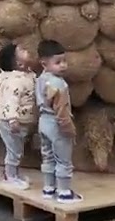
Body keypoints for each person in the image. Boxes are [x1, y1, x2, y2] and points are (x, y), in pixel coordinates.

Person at [35, 40, 81, 203]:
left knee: (47, 156)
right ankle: (64, 192)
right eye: (58, 62)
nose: (63, 65)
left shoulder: (40, 79)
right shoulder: (59, 84)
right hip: (56, 124)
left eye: (64, 61)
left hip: (43, 121)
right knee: (63, 159)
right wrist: (68, 129)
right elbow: (61, 112)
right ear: (44, 63)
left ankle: (48, 188)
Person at [0, 42, 35, 190]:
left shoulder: (26, 76)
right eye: (22, 51)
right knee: (14, 151)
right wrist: (13, 119)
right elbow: (11, 100)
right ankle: (10, 176)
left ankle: (14, 174)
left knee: (17, 150)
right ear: (19, 63)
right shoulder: (15, 82)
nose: (27, 51)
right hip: (11, 122)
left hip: (20, 122)